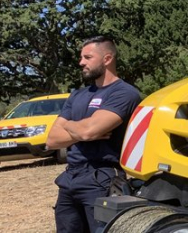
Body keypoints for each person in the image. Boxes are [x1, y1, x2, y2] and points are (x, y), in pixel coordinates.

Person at [46, 36, 141, 233]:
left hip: (102, 177)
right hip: (70, 177)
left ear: (107, 59)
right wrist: (81, 129)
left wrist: (74, 127)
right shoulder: (77, 95)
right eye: (81, 57)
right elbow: (52, 139)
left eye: (88, 57)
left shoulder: (124, 93)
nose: (81, 62)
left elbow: (89, 132)